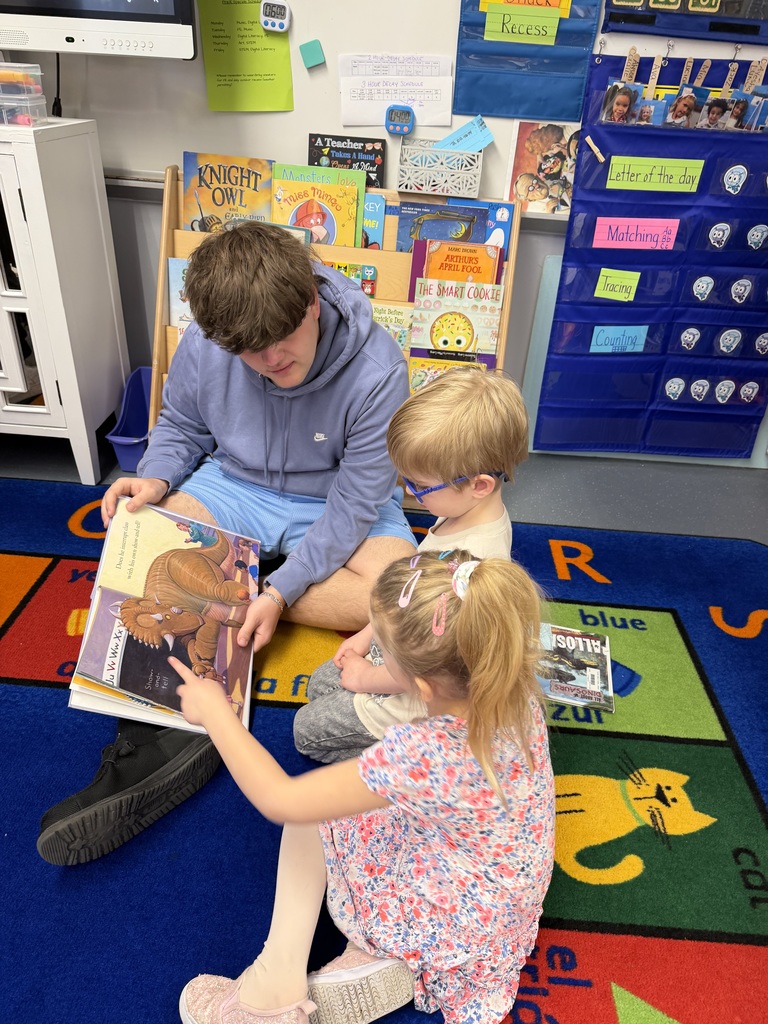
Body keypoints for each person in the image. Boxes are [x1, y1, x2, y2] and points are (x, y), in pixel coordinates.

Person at [37, 222, 416, 866]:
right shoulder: (209, 344)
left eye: (282, 341)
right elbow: (182, 425)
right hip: (236, 486)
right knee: (146, 541)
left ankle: (238, 589)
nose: (270, 361)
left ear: (312, 302)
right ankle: (170, 726)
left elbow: (356, 504)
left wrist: (282, 589)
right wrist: (153, 478)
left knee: (402, 597)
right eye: (250, 351)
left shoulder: (380, 367)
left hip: (336, 500)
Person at [174, 550, 556, 1024]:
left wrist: (215, 713)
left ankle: (272, 993)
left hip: (449, 910)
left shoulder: (424, 752)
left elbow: (280, 799)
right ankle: (371, 960)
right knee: (357, 798)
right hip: (501, 892)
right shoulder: (511, 686)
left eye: (385, 656)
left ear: (422, 684)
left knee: (310, 815)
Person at [293, 367, 529, 764]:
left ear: (480, 484)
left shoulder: (471, 564)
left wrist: (367, 678)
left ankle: (426, 761)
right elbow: (408, 595)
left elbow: (431, 673)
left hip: (421, 695)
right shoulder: (465, 513)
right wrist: (368, 635)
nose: (409, 493)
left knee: (306, 733)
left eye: (420, 486)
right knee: (322, 683)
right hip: (405, 648)